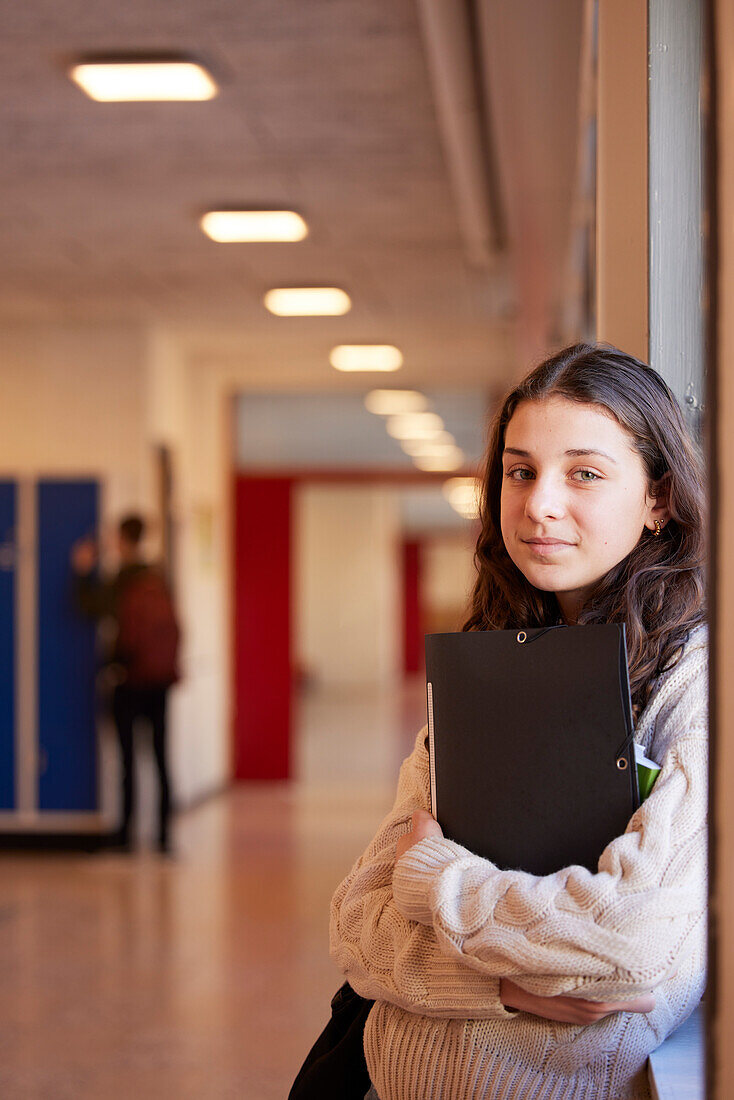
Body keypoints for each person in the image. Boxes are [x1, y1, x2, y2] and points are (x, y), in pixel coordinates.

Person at [330, 343, 707, 1100]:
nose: (539, 503)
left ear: (658, 499)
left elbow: (629, 940)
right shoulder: (486, 669)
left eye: (585, 473)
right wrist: (505, 990)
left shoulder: (695, 683)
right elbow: (356, 925)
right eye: (520, 470)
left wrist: (435, 879)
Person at [71, 514, 180, 854]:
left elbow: (90, 608)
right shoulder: (159, 578)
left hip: (129, 679)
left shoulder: (122, 581)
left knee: (127, 760)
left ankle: (126, 836)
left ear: (121, 540)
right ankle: (163, 837)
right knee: (161, 759)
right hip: (160, 682)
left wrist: (82, 572)